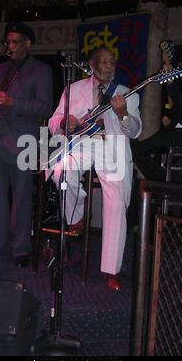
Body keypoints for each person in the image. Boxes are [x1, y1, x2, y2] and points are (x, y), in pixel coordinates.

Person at [48, 47, 142, 291]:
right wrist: (63, 122)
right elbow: (52, 123)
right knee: (62, 172)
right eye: (104, 61)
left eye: (112, 61)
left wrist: (122, 115)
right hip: (81, 144)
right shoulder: (74, 89)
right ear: (92, 63)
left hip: (111, 148)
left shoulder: (125, 93)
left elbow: (135, 131)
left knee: (115, 201)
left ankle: (111, 270)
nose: (109, 65)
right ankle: (77, 216)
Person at [0, 22, 53, 267]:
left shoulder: (41, 70)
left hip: (25, 139)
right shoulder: (2, 68)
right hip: (0, 137)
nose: (10, 46)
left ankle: (21, 249)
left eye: (15, 41)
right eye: (8, 42)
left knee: (21, 197)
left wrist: (11, 102)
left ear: (28, 44)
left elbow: (44, 107)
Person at [132, 57, 182, 181]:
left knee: (138, 150)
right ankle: (162, 183)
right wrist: (170, 122)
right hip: (181, 135)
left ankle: (160, 183)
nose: (180, 70)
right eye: (179, 68)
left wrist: (170, 83)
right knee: (141, 151)